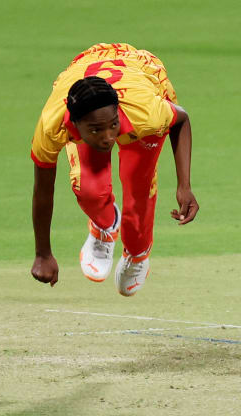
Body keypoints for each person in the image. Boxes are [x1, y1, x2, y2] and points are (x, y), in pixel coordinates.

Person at [30, 42, 199, 296]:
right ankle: (104, 226)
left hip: (142, 75)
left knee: (138, 185)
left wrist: (184, 186)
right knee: (88, 189)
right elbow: (43, 191)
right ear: (74, 124)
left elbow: (181, 119)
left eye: (112, 125)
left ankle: (137, 254)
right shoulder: (52, 125)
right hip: (84, 70)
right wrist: (43, 254)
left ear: (117, 113)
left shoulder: (146, 112)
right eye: (97, 130)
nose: (109, 137)